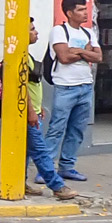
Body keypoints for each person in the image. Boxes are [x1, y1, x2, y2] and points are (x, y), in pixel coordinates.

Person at [44, 0, 101, 185]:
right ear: (69, 13)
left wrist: (79, 51)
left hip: (85, 85)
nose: (85, 13)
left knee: (77, 129)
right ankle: (47, 168)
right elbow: (64, 57)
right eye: (80, 9)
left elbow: (98, 57)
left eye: (85, 9)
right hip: (65, 86)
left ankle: (67, 166)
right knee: (57, 128)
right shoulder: (59, 31)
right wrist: (87, 53)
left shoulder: (88, 33)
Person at [23, 19, 73, 200]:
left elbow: (32, 86)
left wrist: (38, 107)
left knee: (27, 151)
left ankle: (20, 182)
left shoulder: (26, 56)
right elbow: (21, 88)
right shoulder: (19, 58)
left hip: (34, 111)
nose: (36, 33)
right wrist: (30, 111)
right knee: (40, 151)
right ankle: (57, 186)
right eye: (32, 30)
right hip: (28, 114)